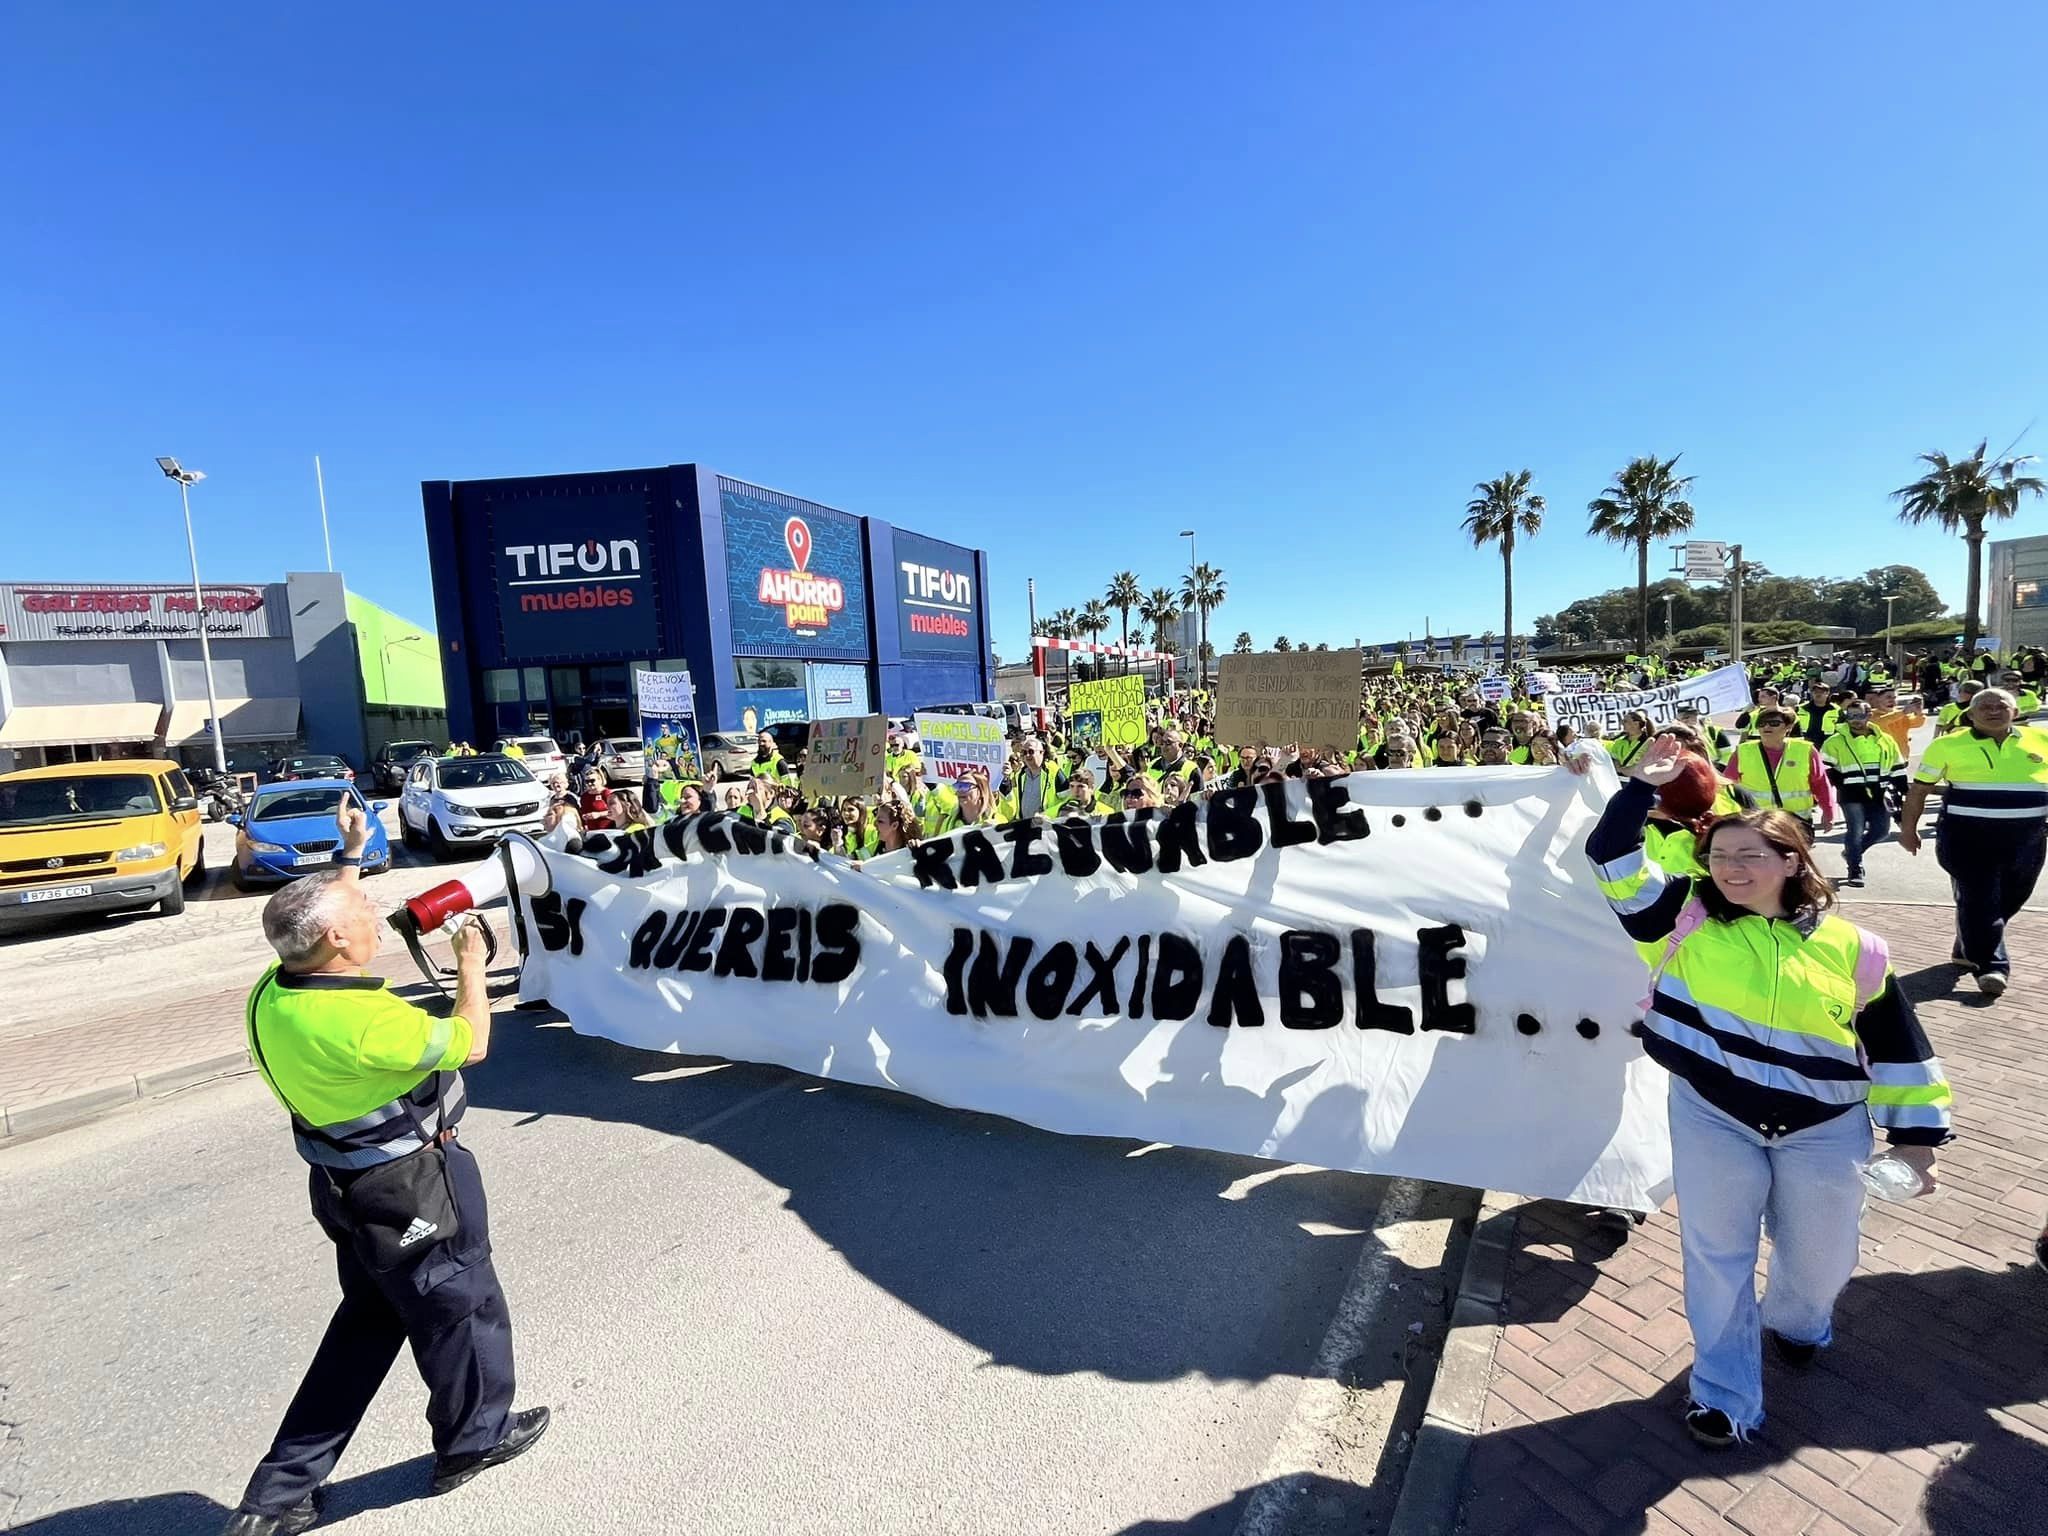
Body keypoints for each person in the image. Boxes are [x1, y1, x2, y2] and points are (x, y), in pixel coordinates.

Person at [1588, 737, 1949, 1449]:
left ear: (1793, 862)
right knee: (1715, 1257)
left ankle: (1799, 1319)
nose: (1731, 869)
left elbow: (1901, 1048)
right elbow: (1609, 853)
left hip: (1824, 1127)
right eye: (1720, 857)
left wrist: (1918, 1144)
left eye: (1750, 855)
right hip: (1712, 1115)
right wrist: (1638, 785)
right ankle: (1723, 1395)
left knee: (1821, 1258)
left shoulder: (1857, 947)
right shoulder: (1678, 921)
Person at [224, 803, 548, 1534]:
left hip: (342, 1187)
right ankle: (474, 1442)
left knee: (365, 1326)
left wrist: (350, 852)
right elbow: (470, 1042)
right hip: (410, 1186)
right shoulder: (369, 1022)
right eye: (363, 907)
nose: (375, 912)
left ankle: (276, 1499)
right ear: (338, 939)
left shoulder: (273, 991)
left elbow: (315, 918)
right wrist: (472, 963)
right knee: (461, 1306)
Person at [1899, 687, 2048, 997]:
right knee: (1981, 900)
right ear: (1970, 714)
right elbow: (1919, 791)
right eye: (1985, 706)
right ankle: (1992, 967)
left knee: (2012, 897)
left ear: (2015, 712)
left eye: (2001, 705)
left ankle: (1968, 942)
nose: (1993, 710)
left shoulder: (2040, 741)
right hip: (1967, 838)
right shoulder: (1947, 745)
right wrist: (1907, 829)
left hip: (2028, 838)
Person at [1821, 703, 1904, 888]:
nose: (1854, 721)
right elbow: (1824, 767)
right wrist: (1841, 782)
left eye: (1859, 716)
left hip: (1878, 792)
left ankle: (1851, 852)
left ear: (1869, 715)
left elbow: (1897, 766)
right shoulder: (1835, 741)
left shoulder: (1885, 740)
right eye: (1850, 716)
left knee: (1882, 831)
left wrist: (1903, 790)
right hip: (1851, 793)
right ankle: (1855, 868)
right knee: (1855, 830)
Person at [1723, 709, 1835, 834]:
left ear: (1788, 727)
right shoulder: (1743, 751)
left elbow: (1820, 783)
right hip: (1758, 822)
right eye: (1762, 723)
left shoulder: (1805, 750)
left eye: (1774, 723)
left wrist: (1828, 811)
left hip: (1797, 822)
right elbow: (1728, 786)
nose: (1766, 726)